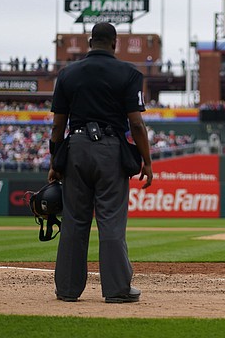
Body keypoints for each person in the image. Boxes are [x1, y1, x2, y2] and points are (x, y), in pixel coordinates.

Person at [47, 22, 153, 303]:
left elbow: (58, 126)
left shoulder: (67, 73)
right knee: (111, 223)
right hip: (110, 150)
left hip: (76, 148)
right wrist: (147, 161)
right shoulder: (129, 73)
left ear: (89, 41)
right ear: (115, 43)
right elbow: (137, 124)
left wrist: (55, 161)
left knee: (74, 222)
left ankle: (67, 290)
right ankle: (117, 290)